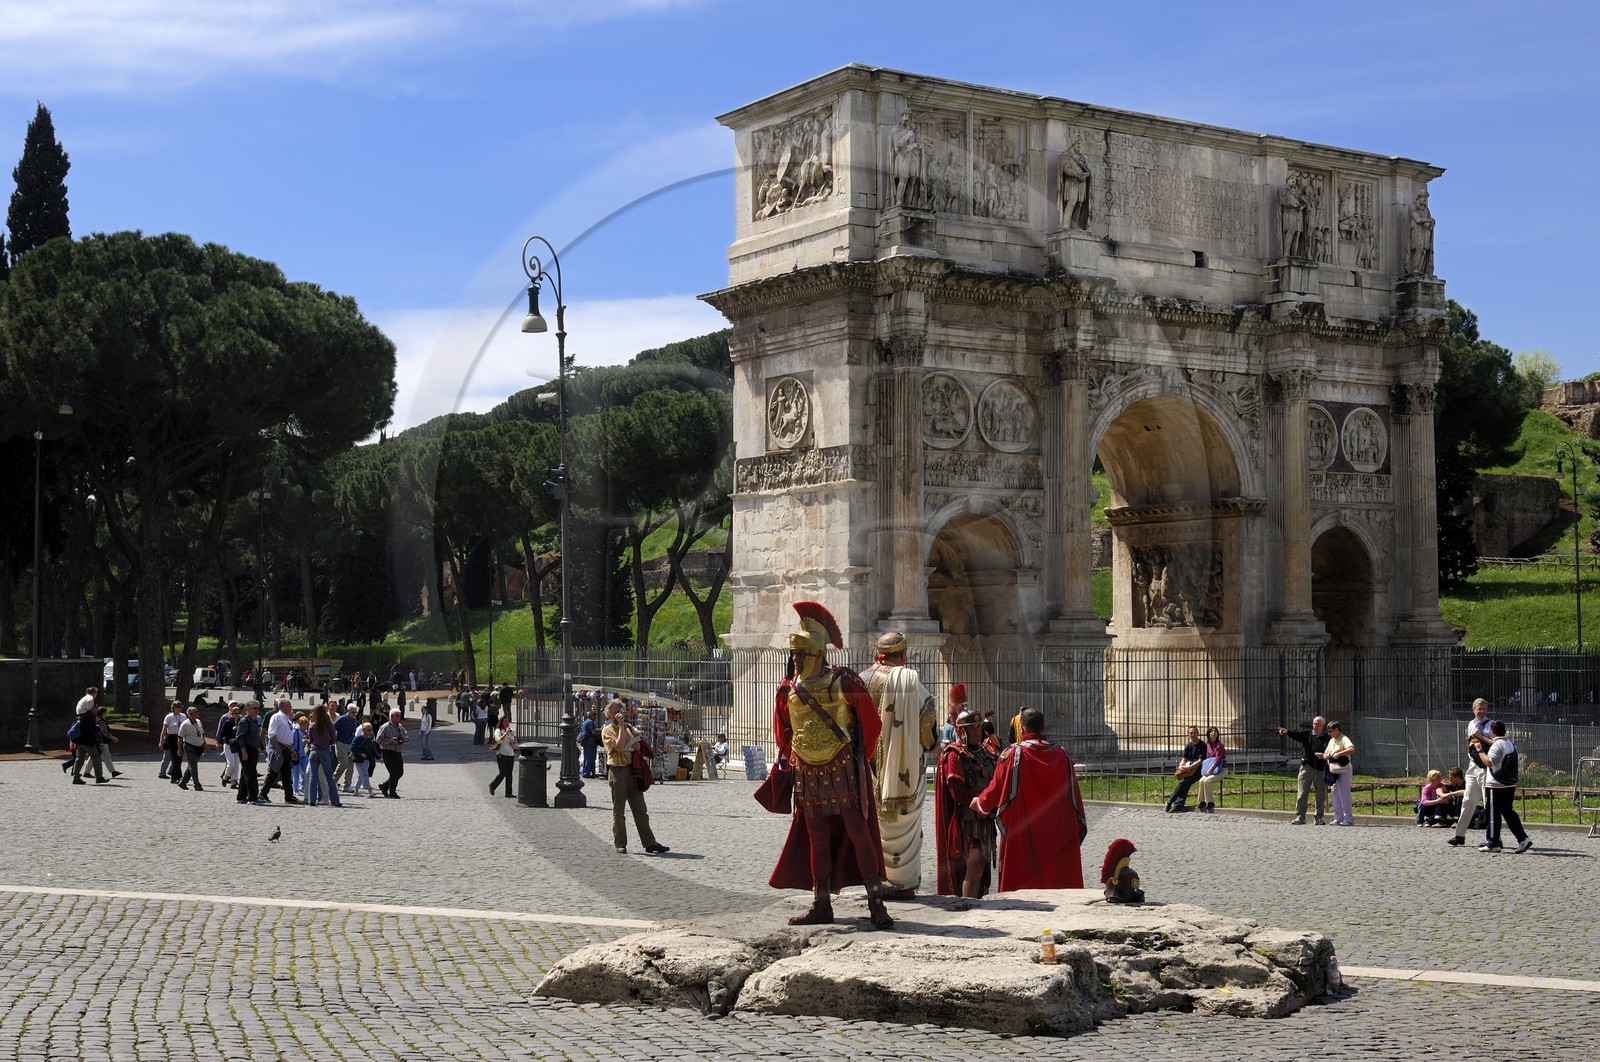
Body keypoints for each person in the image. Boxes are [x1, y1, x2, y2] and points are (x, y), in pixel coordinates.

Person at [768, 601, 892, 929]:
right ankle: (821, 903)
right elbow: (783, 732)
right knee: (817, 838)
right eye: (793, 655)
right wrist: (793, 756)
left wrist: (858, 759)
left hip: (844, 770)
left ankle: (876, 903)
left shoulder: (844, 682)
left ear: (818, 654)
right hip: (807, 773)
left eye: (801, 655)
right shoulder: (786, 691)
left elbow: (872, 723)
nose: (795, 661)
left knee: (859, 834)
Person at [970, 706, 1088, 891]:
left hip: (1023, 834)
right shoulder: (1063, 755)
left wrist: (980, 804)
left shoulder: (1013, 755)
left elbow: (996, 788)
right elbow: (1075, 800)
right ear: (1043, 728)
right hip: (1057, 835)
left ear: (1022, 728)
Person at [861, 630, 938, 899]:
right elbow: (927, 715)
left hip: (868, 767)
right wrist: (930, 742)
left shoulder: (862, 679)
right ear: (903, 654)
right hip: (903, 770)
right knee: (903, 822)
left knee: (874, 822)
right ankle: (903, 883)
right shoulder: (909, 680)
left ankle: (877, 878)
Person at [934, 709, 997, 897]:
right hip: (967, 822)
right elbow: (958, 791)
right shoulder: (955, 754)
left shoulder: (984, 752)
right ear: (962, 731)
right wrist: (980, 804)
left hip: (984, 819)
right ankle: (969, 913)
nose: (978, 731)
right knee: (974, 868)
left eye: (979, 726)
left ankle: (976, 909)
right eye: (972, 728)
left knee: (981, 870)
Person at [602, 698, 668, 855]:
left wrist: (633, 743)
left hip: (632, 770)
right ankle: (621, 843)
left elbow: (638, 746)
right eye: (614, 712)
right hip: (617, 771)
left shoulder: (629, 728)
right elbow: (618, 747)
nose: (618, 714)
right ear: (609, 714)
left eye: (620, 711)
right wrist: (621, 729)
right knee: (619, 811)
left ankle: (650, 842)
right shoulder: (607, 730)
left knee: (640, 810)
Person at [1481, 719, 1533, 853]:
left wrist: (1480, 751)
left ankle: (1493, 843)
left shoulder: (1496, 745)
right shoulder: (1510, 743)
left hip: (1495, 785)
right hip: (1509, 784)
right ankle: (1523, 839)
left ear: (1492, 732)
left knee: (1493, 814)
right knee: (1508, 813)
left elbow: (1489, 762)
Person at [1449, 698, 1495, 847]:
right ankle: (1459, 835)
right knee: (1468, 800)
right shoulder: (1470, 724)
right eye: (1479, 709)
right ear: (1473, 709)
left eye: (1484, 709)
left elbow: (1497, 743)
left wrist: (1481, 737)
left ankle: (1492, 837)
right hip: (1472, 766)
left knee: (1488, 803)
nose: (1481, 711)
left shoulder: (1490, 725)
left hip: (1485, 767)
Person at [1278, 717, 1331, 825]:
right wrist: (1287, 732)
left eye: (1317, 724)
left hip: (1321, 769)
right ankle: (1300, 817)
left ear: (1323, 725)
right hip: (1307, 767)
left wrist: (1325, 756)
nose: (1314, 725)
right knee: (1302, 793)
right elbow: (1296, 735)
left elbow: (1332, 750)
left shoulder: (1327, 737)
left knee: (1321, 794)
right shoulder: (1307, 734)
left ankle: (1319, 817)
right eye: (1313, 723)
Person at [261, 699, 302, 805]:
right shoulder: (276, 717)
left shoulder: (287, 718)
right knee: (273, 772)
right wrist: (277, 748)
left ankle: (289, 795)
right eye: (289, 705)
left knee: (286, 773)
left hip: (286, 748)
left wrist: (291, 750)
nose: (291, 707)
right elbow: (272, 733)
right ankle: (263, 793)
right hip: (278, 747)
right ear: (283, 706)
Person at [304, 701, 343, 808]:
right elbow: (333, 740)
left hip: (314, 751)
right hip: (325, 751)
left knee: (313, 776)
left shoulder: (312, 725)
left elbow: (311, 740)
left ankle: (311, 800)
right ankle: (335, 801)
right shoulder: (329, 724)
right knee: (329, 777)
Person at [1165, 726, 1206, 813]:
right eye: (1191, 733)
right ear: (1188, 734)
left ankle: (1170, 801)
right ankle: (1178, 805)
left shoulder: (1203, 745)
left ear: (1198, 733)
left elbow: (1200, 761)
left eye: (1194, 732)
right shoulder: (1188, 746)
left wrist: (1188, 768)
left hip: (1199, 771)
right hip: (1189, 770)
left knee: (1184, 782)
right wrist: (1180, 767)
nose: (1193, 734)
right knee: (1185, 783)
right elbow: (1184, 759)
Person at [1325, 720, 1356, 825]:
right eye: (1328, 732)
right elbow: (1327, 752)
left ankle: (1348, 818)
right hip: (1334, 769)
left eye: (1330, 731)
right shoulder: (1331, 740)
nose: (1329, 734)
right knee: (1334, 793)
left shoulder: (1344, 739)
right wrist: (1324, 755)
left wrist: (1339, 753)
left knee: (1344, 793)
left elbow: (1351, 749)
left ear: (1337, 730)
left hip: (1344, 769)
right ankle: (1338, 817)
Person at [235, 701, 264, 806]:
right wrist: (243, 751)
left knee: (245, 773)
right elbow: (240, 737)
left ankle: (241, 796)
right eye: (254, 708)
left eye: (258, 708)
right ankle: (253, 797)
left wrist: (262, 748)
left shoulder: (255, 721)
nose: (257, 710)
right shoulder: (244, 721)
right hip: (247, 749)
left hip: (254, 749)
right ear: (247, 710)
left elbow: (257, 736)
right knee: (251, 773)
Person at [376, 708, 408, 798]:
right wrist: (390, 741)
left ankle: (384, 786)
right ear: (391, 717)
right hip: (388, 752)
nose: (399, 717)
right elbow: (378, 739)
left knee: (400, 772)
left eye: (399, 716)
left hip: (397, 751)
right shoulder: (385, 727)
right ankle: (392, 792)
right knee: (394, 772)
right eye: (397, 716)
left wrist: (405, 738)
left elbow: (405, 735)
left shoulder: (400, 726)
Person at [1197, 726, 1228, 814]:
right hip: (1212, 769)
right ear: (1208, 734)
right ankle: (1202, 801)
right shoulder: (1208, 745)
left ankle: (1210, 802)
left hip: (1221, 769)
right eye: (1211, 731)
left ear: (1217, 734)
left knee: (1207, 780)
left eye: (1215, 731)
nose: (1213, 733)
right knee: (1201, 780)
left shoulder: (1219, 745)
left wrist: (1210, 770)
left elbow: (1218, 759)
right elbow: (1208, 758)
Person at [176, 706, 207, 790]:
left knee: (192, 766)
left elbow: (202, 734)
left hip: (199, 747)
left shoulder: (199, 722)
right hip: (189, 747)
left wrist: (204, 743)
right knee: (193, 765)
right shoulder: (185, 724)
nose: (198, 713)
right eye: (196, 712)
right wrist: (179, 749)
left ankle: (183, 782)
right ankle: (197, 784)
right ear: (190, 714)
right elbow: (180, 737)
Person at [488, 713, 518, 798]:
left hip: (510, 754)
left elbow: (514, 744)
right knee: (503, 773)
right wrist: (505, 734)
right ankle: (492, 786)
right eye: (505, 721)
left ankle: (509, 793)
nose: (507, 722)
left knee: (509, 774)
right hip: (502, 754)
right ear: (501, 722)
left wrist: (514, 740)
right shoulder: (498, 731)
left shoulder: (511, 730)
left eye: (508, 721)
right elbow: (498, 740)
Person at [334, 701, 360, 793]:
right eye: (352, 712)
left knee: (350, 766)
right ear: (347, 711)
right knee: (343, 764)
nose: (354, 714)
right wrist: (335, 740)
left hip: (350, 744)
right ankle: (333, 782)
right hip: (341, 743)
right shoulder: (341, 719)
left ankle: (347, 785)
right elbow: (333, 728)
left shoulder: (354, 720)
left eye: (355, 712)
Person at [159, 700, 187, 781]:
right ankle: (177, 776)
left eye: (181, 707)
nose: (179, 708)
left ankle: (175, 776)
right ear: (173, 708)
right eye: (178, 707)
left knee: (179, 757)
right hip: (171, 737)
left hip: (180, 737)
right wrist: (161, 741)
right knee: (174, 757)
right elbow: (164, 730)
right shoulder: (169, 717)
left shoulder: (183, 716)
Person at [350, 722, 379, 797]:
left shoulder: (369, 739)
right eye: (368, 730)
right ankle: (370, 790)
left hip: (367, 759)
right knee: (365, 774)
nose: (370, 731)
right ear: (363, 730)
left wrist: (379, 757)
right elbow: (352, 747)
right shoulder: (358, 738)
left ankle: (356, 790)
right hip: (359, 760)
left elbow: (373, 749)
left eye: (371, 730)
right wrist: (360, 753)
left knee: (361, 775)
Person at [216, 703, 241, 788]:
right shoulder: (228, 722)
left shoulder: (240, 722)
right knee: (231, 764)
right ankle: (226, 776)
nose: (237, 715)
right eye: (235, 713)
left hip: (237, 745)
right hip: (228, 744)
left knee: (237, 764)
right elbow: (223, 733)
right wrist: (232, 730)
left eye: (238, 713)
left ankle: (234, 781)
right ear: (232, 714)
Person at [579, 708, 601, 778]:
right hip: (590, 741)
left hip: (585, 741)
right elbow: (593, 732)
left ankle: (585, 771)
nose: (595, 717)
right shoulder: (590, 722)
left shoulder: (585, 722)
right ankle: (589, 772)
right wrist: (598, 731)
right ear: (591, 716)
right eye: (594, 716)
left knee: (586, 756)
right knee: (590, 757)